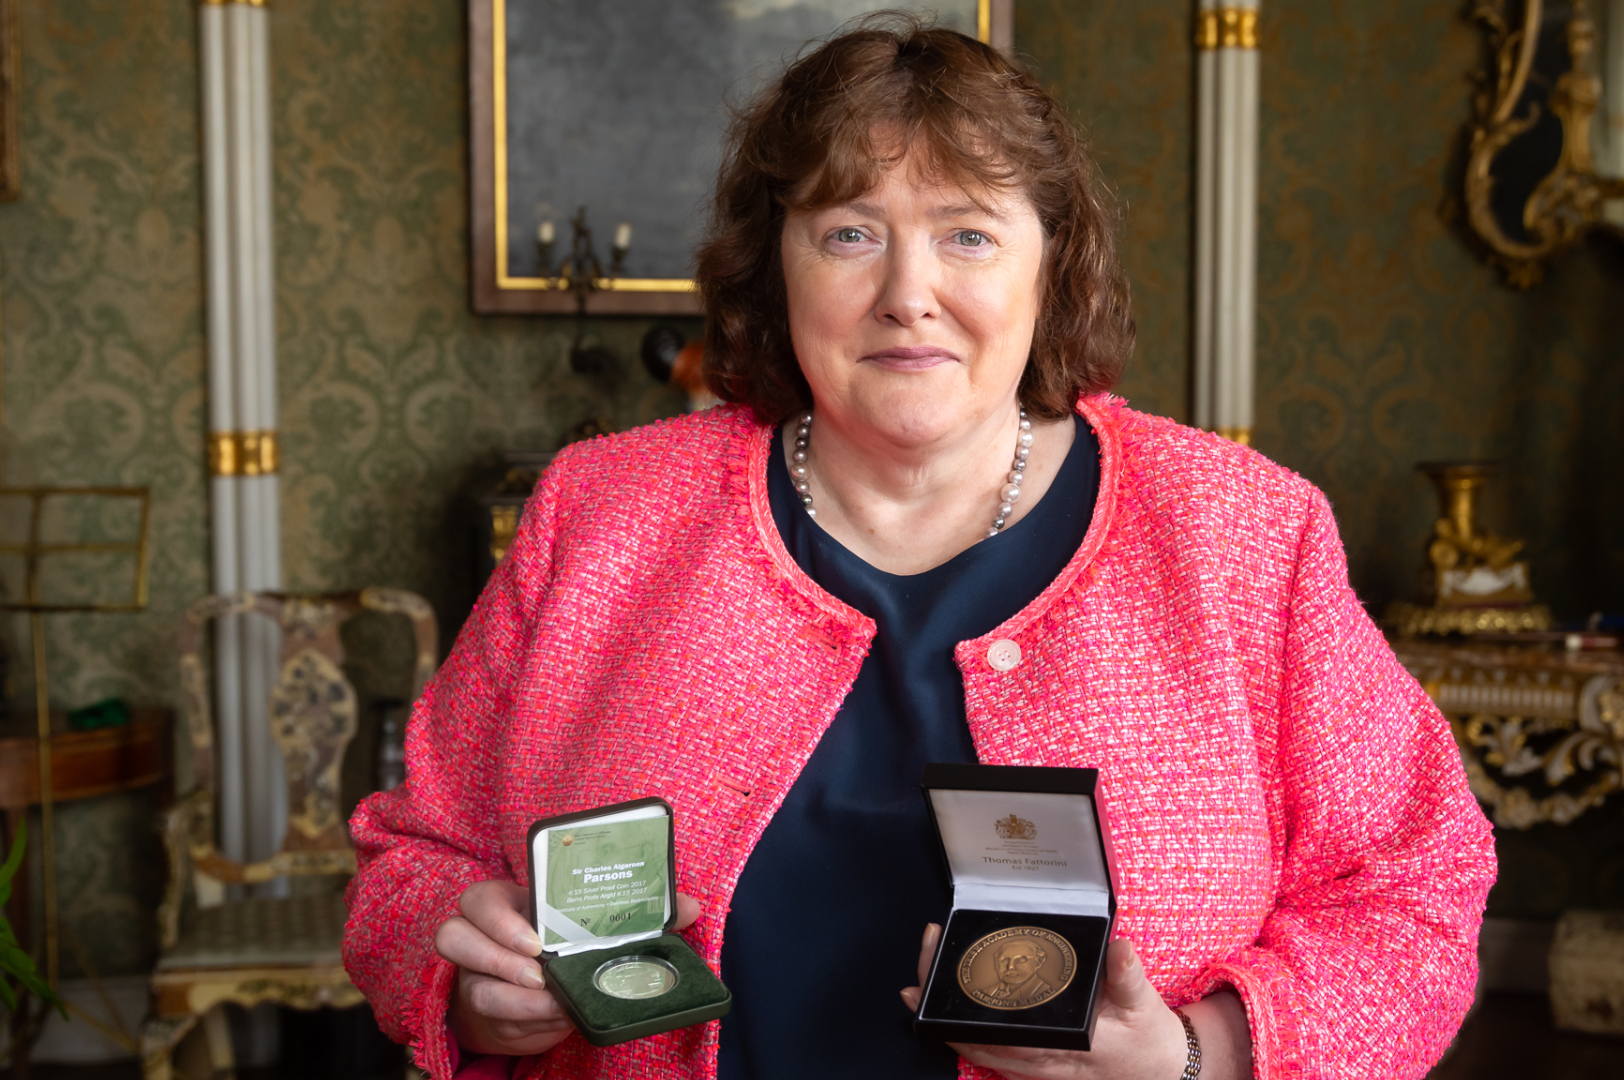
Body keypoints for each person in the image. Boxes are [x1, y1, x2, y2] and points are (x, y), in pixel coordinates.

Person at [344, 17, 1495, 1080]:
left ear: (1052, 267)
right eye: (850, 233)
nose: (909, 294)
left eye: (968, 234)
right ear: (774, 263)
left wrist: (1200, 1055)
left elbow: (1418, 891)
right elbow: (412, 859)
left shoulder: (1245, 536)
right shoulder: (600, 513)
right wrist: (467, 982)